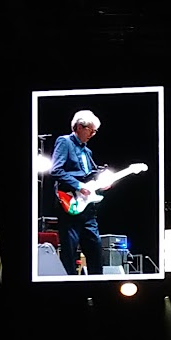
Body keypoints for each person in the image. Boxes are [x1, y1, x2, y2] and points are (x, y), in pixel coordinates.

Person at [49, 110, 106, 276]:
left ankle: (98, 285)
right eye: (91, 130)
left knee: (95, 251)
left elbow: (89, 178)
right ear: (80, 127)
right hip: (70, 204)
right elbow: (56, 170)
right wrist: (79, 186)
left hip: (88, 209)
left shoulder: (88, 152)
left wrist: (102, 185)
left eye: (95, 131)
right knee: (69, 252)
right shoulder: (64, 142)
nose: (93, 135)